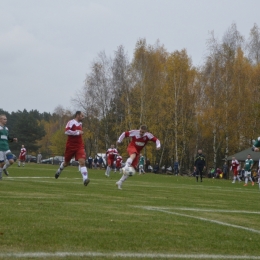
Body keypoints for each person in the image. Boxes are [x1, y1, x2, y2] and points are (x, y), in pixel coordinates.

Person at [115, 125, 161, 190]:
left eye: (143, 132)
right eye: (141, 132)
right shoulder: (134, 132)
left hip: (137, 152)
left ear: (145, 132)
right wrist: (119, 140)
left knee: (132, 170)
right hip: (131, 147)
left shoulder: (148, 135)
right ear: (139, 130)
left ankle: (120, 182)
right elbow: (124, 134)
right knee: (133, 155)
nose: (141, 133)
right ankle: (125, 167)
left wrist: (158, 145)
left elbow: (157, 140)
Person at [54, 111, 90, 186]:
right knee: (66, 163)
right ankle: (59, 170)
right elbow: (66, 131)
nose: (83, 117)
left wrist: (79, 133)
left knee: (82, 162)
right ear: (77, 115)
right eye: (82, 115)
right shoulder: (71, 122)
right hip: (70, 146)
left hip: (79, 146)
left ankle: (85, 179)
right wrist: (77, 132)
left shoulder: (80, 124)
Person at [0, 114, 18, 179]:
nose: (6, 120)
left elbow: (8, 139)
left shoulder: (6, 129)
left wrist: (13, 139)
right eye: (4, 119)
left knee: (11, 161)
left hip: (6, 148)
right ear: (0, 120)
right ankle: (0, 175)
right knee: (2, 163)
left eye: (6, 119)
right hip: (0, 148)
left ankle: (4, 168)